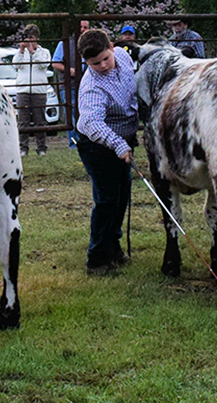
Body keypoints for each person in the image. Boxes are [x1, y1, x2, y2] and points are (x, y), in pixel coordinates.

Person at [75, 29, 136, 274]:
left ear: (111, 47)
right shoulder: (92, 86)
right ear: (85, 62)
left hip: (123, 139)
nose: (102, 65)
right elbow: (91, 123)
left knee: (122, 196)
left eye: (105, 59)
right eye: (94, 63)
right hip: (97, 146)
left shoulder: (123, 56)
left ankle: (113, 246)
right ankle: (97, 259)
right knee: (106, 199)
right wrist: (118, 144)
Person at [10, 25, 53, 156]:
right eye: (27, 38)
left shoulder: (44, 52)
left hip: (39, 90)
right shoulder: (20, 53)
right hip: (23, 90)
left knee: (40, 120)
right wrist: (22, 51)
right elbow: (16, 65)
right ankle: (23, 148)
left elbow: (44, 64)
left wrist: (33, 52)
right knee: (23, 121)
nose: (29, 41)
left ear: (37, 39)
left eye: (32, 38)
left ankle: (41, 148)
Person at [52, 19, 91, 149]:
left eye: (86, 27)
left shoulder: (90, 44)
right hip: (69, 86)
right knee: (72, 116)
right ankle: (74, 144)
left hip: (87, 86)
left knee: (86, 114)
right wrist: (69, 70)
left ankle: (85, 142)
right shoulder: (65, 44)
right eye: (81, 27)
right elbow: (55, 63)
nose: (83, 30)